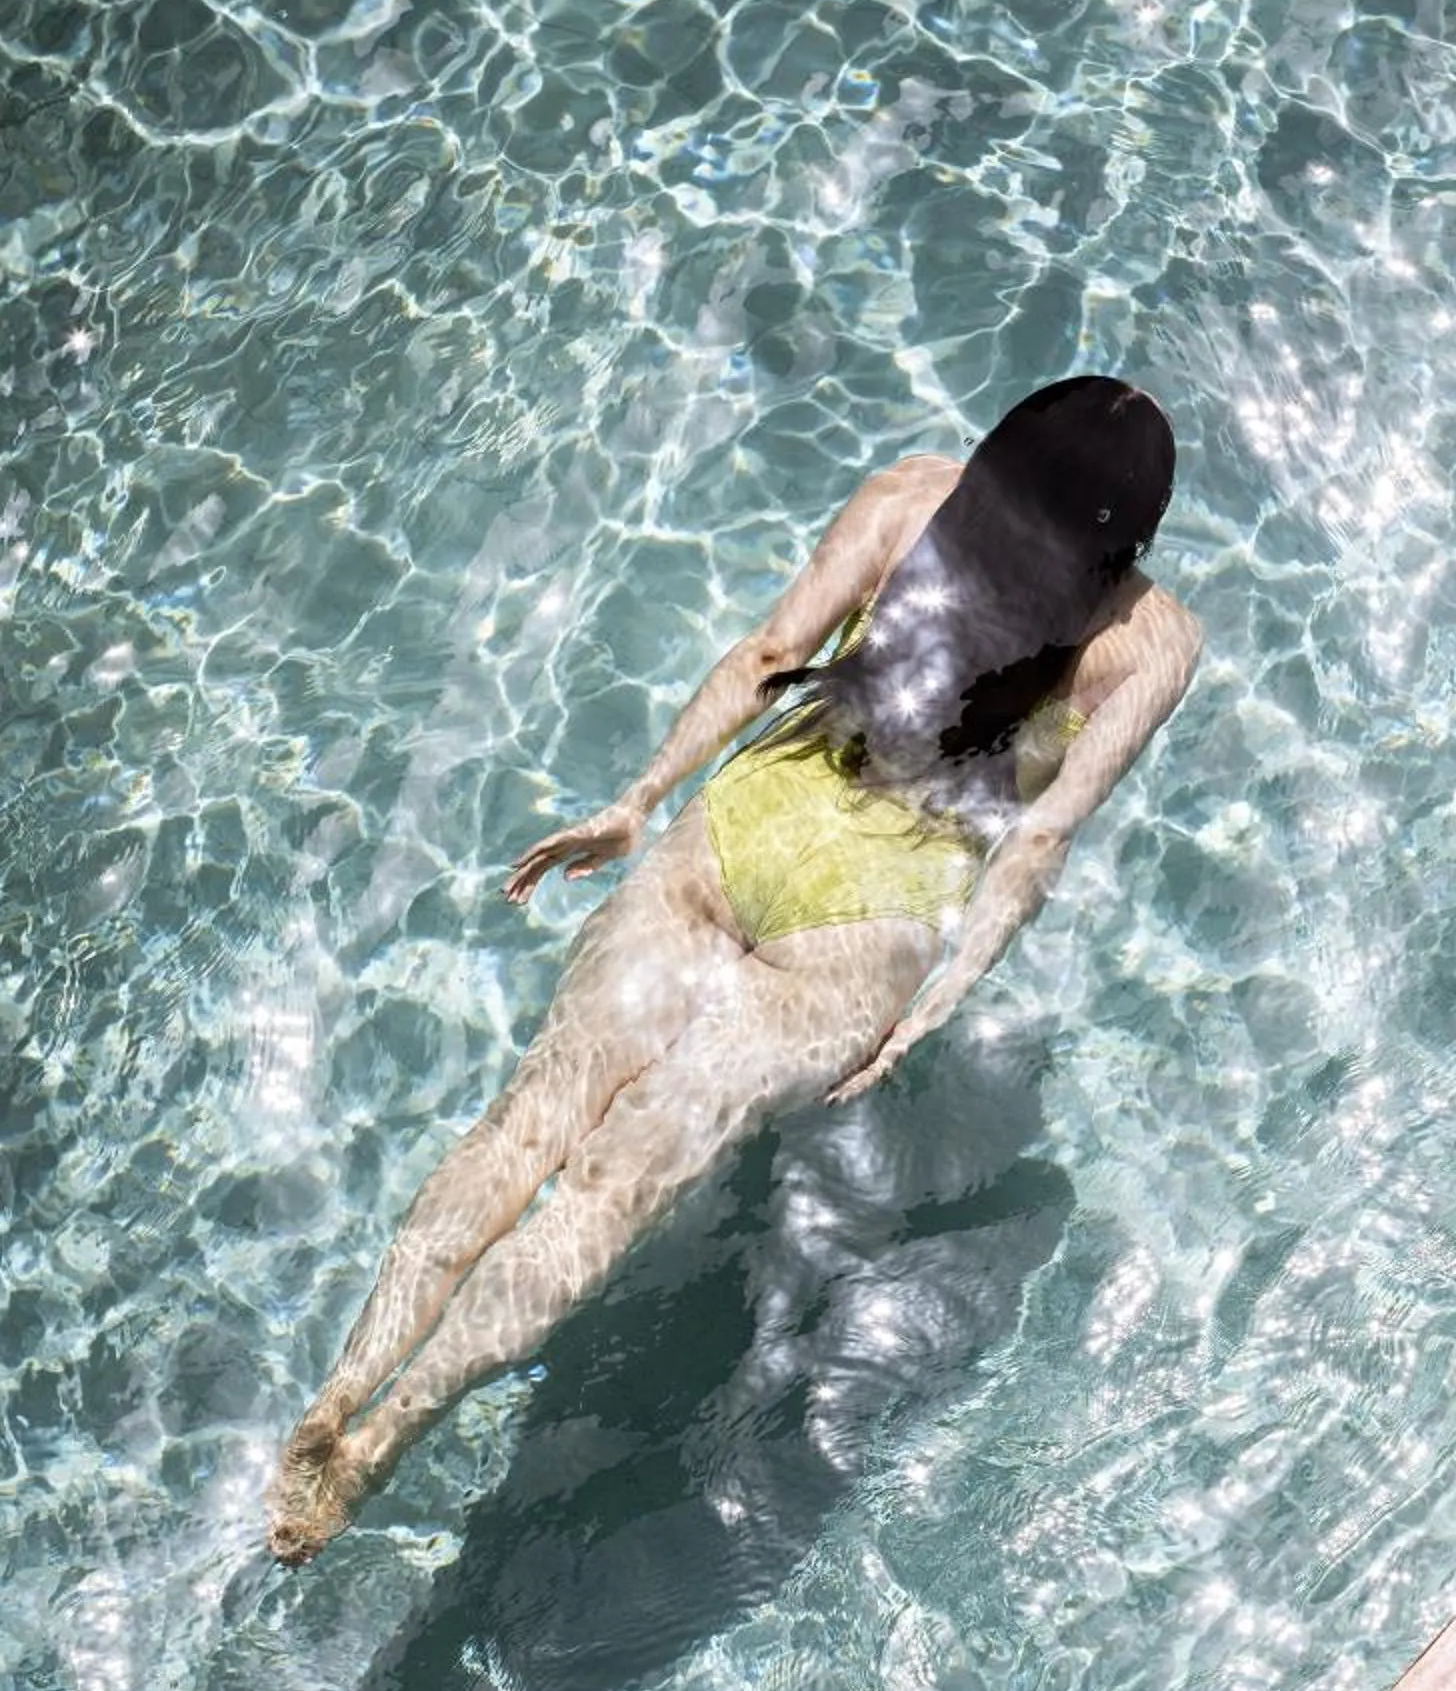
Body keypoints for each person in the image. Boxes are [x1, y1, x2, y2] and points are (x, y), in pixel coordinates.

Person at [265, 375, 1199, 1565]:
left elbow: (769, 651)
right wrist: (936, 1006)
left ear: (1001, 451)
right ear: (1137, 525)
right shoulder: (1154, 643)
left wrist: (633, 801)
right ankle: (384, 1440)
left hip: (740, 832)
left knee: (523, 1129)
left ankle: (342, 1390)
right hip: (861, 929)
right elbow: (1043, 835)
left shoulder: (909, 496)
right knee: (603, 1197)